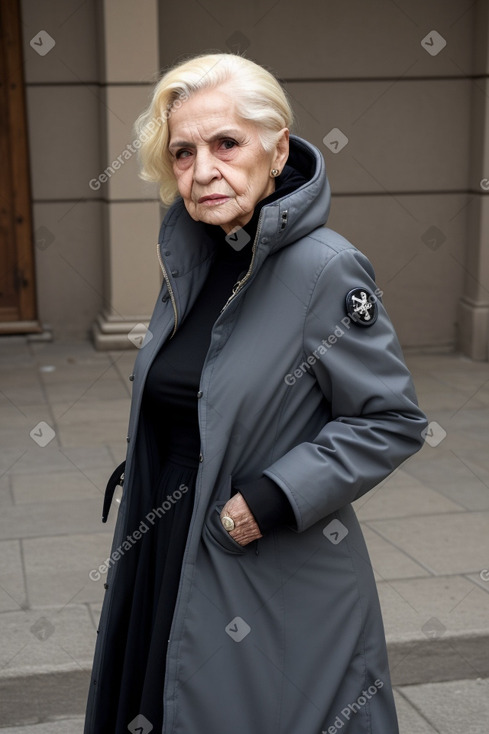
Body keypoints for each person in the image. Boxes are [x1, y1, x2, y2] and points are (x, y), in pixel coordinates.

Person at [84, 53, 427, 734]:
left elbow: (390, 419)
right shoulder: (197, 255)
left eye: (225, 143)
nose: (202, 169)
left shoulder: (324, 268)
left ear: (276, 150)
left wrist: (264, 503)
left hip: (259, 551)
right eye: (182, 152)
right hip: (167, 530)